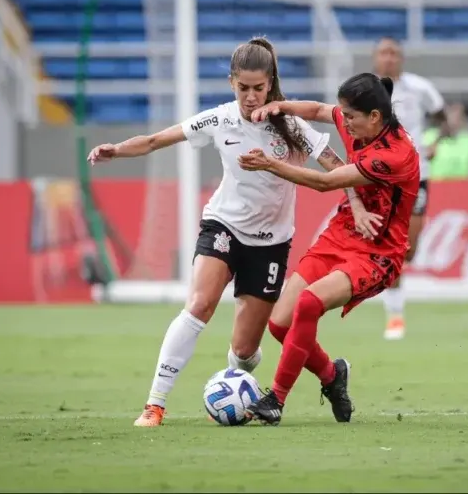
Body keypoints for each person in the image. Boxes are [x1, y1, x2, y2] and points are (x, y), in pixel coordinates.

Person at [86, 37, 382, 428]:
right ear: (232, 83)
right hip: (223, 226)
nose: (250, 96)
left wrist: (357, 204)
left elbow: (336, 165)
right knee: (200, 305)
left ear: (270, 82)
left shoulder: (292, 125)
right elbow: (159, 139)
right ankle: (154, 405)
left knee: (244, 351)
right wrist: (117, 149)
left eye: (258, 88)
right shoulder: (220, 118)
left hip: (271, 244)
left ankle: (245, 380)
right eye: (243, 88)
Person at [237, 72, 421, 425]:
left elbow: (324, 182)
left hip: (378, 253)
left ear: (375, 117)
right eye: (345, 115)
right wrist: (280, 105)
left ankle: (275, 399)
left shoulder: (395, 156)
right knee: (279, 325)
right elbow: (320, 110)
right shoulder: (359, 121)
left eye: (350, 117)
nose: (344, 122)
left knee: (308, 302)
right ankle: (331, 376)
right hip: (341, 234)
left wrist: (271, 164)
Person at [372, 36, 446, 341]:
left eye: (394, 53)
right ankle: (395, 316)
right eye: (384, 53)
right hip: (382, 176)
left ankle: (393, 304)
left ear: (401, 58)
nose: (389, 58)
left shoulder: (420, 87)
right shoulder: (368, 90)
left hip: (417, 175)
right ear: (376, 58)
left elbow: (444, 118)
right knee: (393, 247)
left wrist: (434, 142)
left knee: (409, 249)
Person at [424, 102, 468, 181]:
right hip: (436, 187)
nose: (452, 122)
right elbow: (424, 158)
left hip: (462, 187)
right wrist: (438, 138)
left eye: (457, 118)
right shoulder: (429, 136)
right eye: (449, 117)